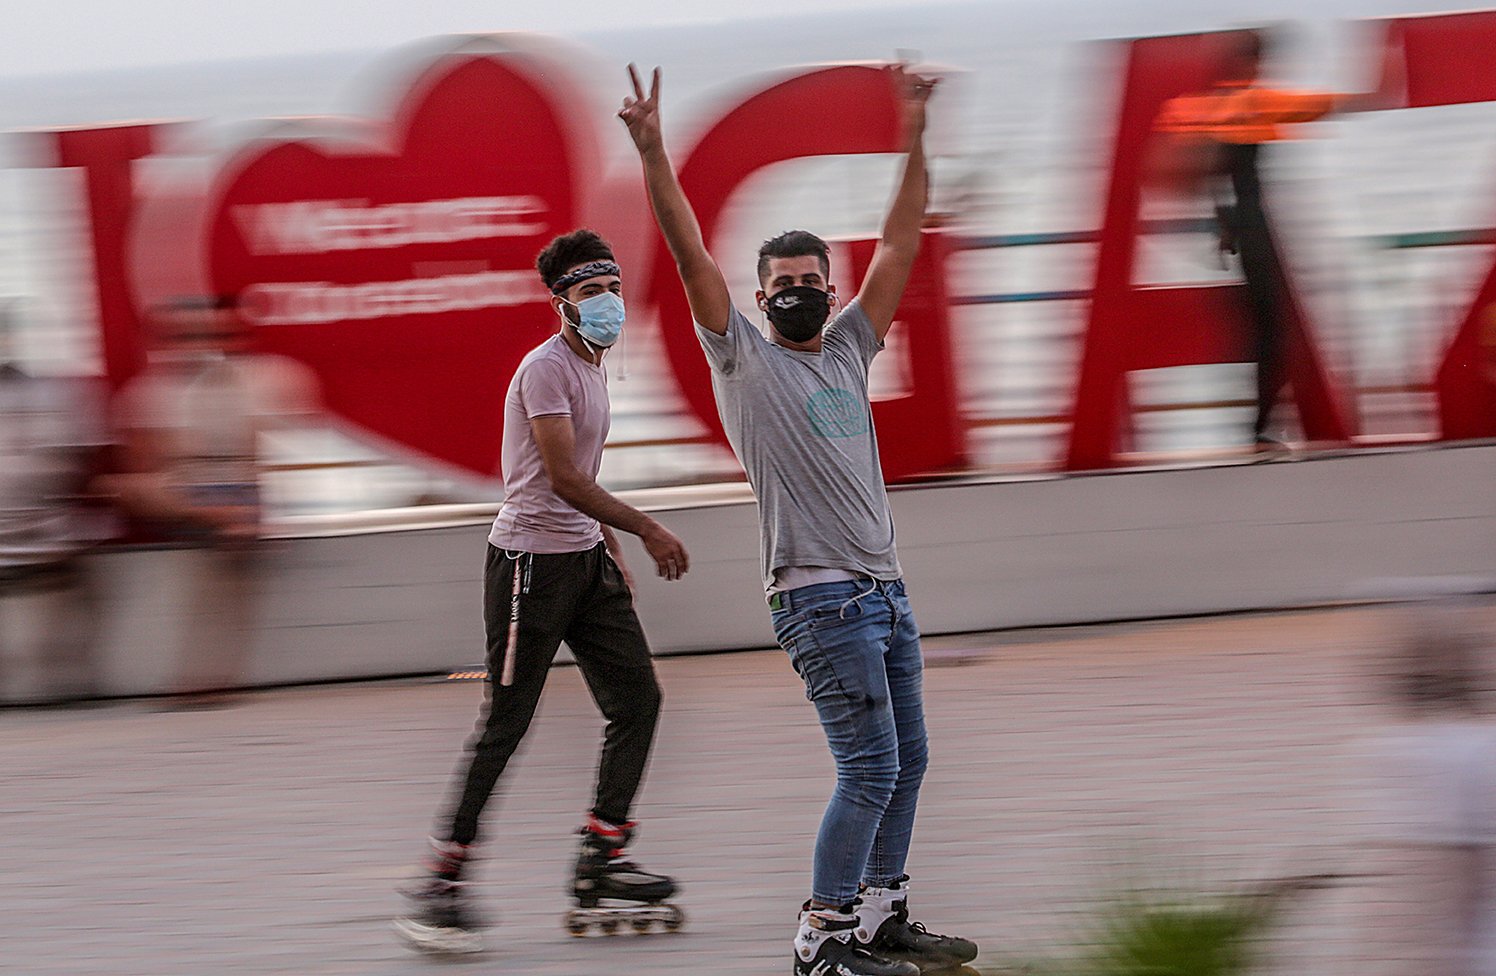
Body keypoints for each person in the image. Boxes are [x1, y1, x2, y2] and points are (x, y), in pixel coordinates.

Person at [622, 63, 977, 976]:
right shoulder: (742, 359)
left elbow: (899, 246)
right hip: (820, 602)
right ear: (759, 293)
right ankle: (820, 939)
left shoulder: (852, 345)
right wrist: (655, 152)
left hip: (885, 595)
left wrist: (914, 133)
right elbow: (690, 253)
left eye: (810, 277)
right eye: (779, 281)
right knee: (868, 769)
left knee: (908, 763)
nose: (796, 290)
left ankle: (886, 912)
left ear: (830, 283)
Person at [394, 229, 691, 954]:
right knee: (507, 722)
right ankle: (443, 882)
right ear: (561, 302)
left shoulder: (593, 366)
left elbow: (579, 481)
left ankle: (603, 854)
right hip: (529, 567)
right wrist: (648, 528)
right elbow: (559, 478)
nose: (609, 303)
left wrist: (608, 543)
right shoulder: (547, 369)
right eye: (593, 292)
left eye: (614, 288)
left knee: (638, 702)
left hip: (584, 561)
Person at [1153, 27, 1399, 453]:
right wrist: (1375, 88)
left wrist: (1220, 223)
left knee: (1258, 330)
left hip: (1235, 230)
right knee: (1274, 332)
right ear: (1254, 63)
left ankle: (1255, 425)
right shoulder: (1256, 102)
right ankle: (1258, 430)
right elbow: (1326, 105)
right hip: (1255, 227)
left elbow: (1186, 173)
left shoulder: (1201, 110)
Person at [114, 295, 317, 704]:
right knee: (128, 487)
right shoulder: (151, 393)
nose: (204, 347)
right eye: (188, 336)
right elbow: (144, 473)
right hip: (191, 503)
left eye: (217, 335)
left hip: (234, 502)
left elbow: (293, 452)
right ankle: (227, 518)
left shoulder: (267, 379)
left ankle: (229, 519)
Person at [0, 305, 111, 704]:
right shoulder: (56, 392)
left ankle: (69, 669)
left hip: (49, 530)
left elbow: (81, 459)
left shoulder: (57, 391)